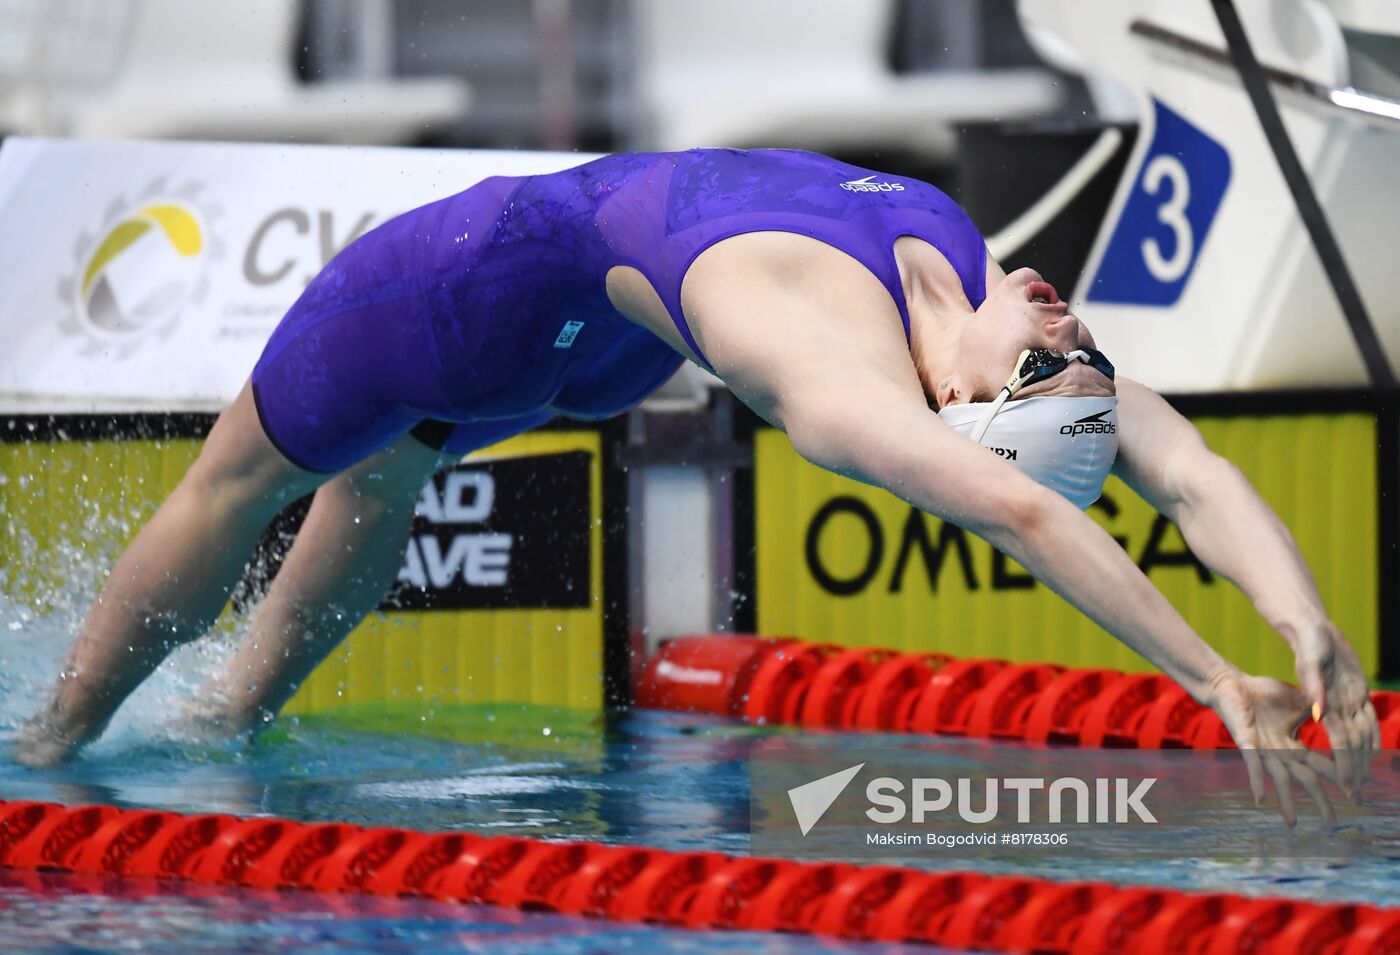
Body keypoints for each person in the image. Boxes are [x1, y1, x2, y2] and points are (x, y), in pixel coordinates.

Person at [16, 147, 1377, 825]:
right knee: (355, 489)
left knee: (249, 484)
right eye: (1081, 349)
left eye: (1058, 355)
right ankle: (172, 725)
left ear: (972, 408)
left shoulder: (846, 387)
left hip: (459, 295)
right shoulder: (968, 288)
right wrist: (1296, 622)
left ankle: (48, 752)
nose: (1071, 323)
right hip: (566, 323)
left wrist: (1201, 680)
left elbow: (1023, 506)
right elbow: (1186, 465)